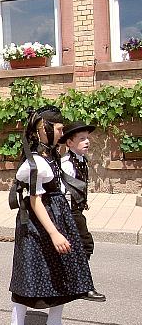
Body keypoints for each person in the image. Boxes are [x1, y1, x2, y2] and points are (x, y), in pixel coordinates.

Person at [5, 106, 94, 325]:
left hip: (57, 218)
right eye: (59, 129)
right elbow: (34, 200)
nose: (63, 133)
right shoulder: (36, 163)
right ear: (44, 130)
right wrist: (54, 232)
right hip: (36, 225)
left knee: (61, 272)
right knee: (29, 276)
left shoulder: (52, 157)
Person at [60, 121, 106, 302]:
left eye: (87, 138)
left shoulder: (81, 160)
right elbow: (61, 191)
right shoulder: (66, 164)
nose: (87, 142)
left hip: (77, 210)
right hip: (69, 212)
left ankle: (75, 283)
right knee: (84, 244)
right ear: (70, 143)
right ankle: (84, 286)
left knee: (78, 248)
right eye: (81, 139)